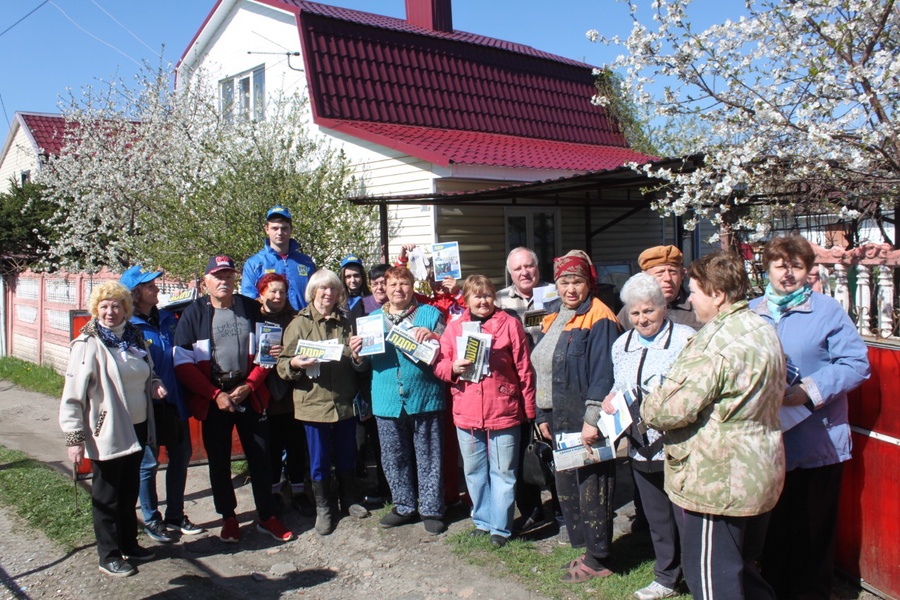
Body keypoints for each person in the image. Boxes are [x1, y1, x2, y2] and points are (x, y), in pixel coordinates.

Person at [641, 250, 786, 600]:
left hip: (717, 481)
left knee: (712, 581)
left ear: (718, 294)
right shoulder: (762, 327)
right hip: (757, 469)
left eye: (695, 290)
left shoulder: (714, 341)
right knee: (743, 571)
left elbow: (669, 409)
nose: (690, 297)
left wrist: (649, 401)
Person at [751, 235, 870, 600]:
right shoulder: (752, 312)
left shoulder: (826, 310)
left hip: (818, 441)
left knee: (812, 533)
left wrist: (809, 392)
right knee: (773, 531)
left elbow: (856, 363)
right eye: (779, 266)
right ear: (767, 269)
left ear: (808, 270)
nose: (788, 274)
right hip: (769, 442)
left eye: (796, 266)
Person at [174, 255, 294, 544]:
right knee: (219, 461)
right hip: (214, 396)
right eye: (218, 276)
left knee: (261, 457)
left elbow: (268, 353)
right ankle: (228, 517)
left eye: (228, 276)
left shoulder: (252, 308)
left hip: (249, 393)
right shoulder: (193, 314)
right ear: (206, 282)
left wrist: (251, 385)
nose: (224, 281)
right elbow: (182, 363)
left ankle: (266, 516)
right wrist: (215, 395)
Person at [601, 273, 693, 600]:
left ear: (663, 307)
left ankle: (697, 579)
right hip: (640, 446)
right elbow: (617, 386)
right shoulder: (621, 345)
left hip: (678, 446)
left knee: (686, 517)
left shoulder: (685, 339)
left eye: (649, 311)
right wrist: (610, 400)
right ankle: (666, 577)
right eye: (636, 313)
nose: (642, 319)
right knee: (657, 518)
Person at [59, 281, 162, 577]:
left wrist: (155, 385)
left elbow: (147, 372)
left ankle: (129, 543)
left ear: (126, 309)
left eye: (116, 306)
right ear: (96, 310)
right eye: (104, 306)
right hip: (106, 431)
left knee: (129, 490)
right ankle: (109, 554)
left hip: (137, 427)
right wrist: (74, 437)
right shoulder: (87, 344)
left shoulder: (134, 337)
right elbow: (72, 395)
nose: (110, 312)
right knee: (107, 495)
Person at [531, 251, 620, 582]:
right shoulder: (556, 315)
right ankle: (588, 551)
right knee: (572, 491)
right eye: (564, 281)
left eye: (577, 281)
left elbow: (604, 373)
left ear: (589, 282)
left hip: (584, 420)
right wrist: (542, 413)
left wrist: (592, 419)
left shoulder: (600, 318)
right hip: (559, 419)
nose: (571, 288)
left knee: (594, 489)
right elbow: (543, 366)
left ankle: (599, 559)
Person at [434, 275, 536, 547]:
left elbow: (524, 369)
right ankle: (482, 520)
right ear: (466, 299)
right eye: (477, 296)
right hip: (467, 409)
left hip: (503, 408)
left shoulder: (510, 325)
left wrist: (528, 409)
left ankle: (500, 528)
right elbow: (439, 364)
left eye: (488, 295)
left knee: (503, 471)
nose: (483, 301)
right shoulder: (455, 328)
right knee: (474, 470)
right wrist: (452, 369)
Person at [276, 269, 369, 535]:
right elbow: (283, 365)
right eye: (323, 289)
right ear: (313, 292)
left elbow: (356, 358)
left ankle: (349, 499)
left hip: (344, 400)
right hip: (313, 403)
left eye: (333, 290)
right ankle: (324, 508)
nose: (329, 294)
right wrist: (294, 363)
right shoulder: (299, 324)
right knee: (319, 459)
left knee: (346, 453)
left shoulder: (347, 321)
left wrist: (359, 357)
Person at [121, 266, 204, 545]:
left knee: (181, 457)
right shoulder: (128, 327)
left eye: (155, 284)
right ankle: (151, 517)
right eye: (149, 286)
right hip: (147, 405)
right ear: (135, 293)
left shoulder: (169, 318)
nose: (156, 288)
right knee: (148, 463)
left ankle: (175, 515)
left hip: (175, 400)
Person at [369, 266, 447, 534]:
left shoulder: (430, 314)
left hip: (425, 395)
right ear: (384, 288)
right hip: (386, 397)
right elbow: (360, 366)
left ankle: (432, 508)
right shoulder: (371, 319)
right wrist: (357, 354)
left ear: (412, 286)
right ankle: (403, 505)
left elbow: (447, 351)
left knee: (429, 454)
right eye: (392, 284)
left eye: (403, 284)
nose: (398, 289)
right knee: (393, 455)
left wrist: (436, 338)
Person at [495, 247, 558, 534]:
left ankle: (561, 505)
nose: (525, 272)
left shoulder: (555, 294)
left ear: (538, 267)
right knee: (520, 450)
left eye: (529, 266)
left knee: (556, 446)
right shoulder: (497, 300)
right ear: (510, 272)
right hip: (516, 387)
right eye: (518, 268)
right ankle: (532, 508)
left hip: (551, 383)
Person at [254, 273, 309, 514]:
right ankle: (274, 492)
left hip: (293, 392)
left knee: (297, 444)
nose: (277, 296)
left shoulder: (295, 318)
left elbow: (306, 344)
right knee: (272, 447)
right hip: (264, 391)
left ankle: (299, 490)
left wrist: (288, 352)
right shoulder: (252, 317)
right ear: (262, 293)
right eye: (272, 291)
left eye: (282, 292)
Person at [241, 205, 316, 311]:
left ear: (291, 229)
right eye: (274, 228)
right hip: (269, 323)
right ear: (266, 229)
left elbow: (315, 295)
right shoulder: (254, 263)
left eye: (284, 228)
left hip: (303, 323)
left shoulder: (306, 262)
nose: (279, 233)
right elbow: (249, 298)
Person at [618, 245, 702, 331]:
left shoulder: (699, 307)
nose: (667, 278)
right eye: (660, 273)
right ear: (645, 277)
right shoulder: (632, 310)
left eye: (672, 272)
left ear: (682, 274)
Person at [339, 254, 373, 325]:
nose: (353, 280)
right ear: (343, 278)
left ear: (362, 276)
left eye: (356, 275)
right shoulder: (337, 302)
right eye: (348, 276)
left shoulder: (372, 300)